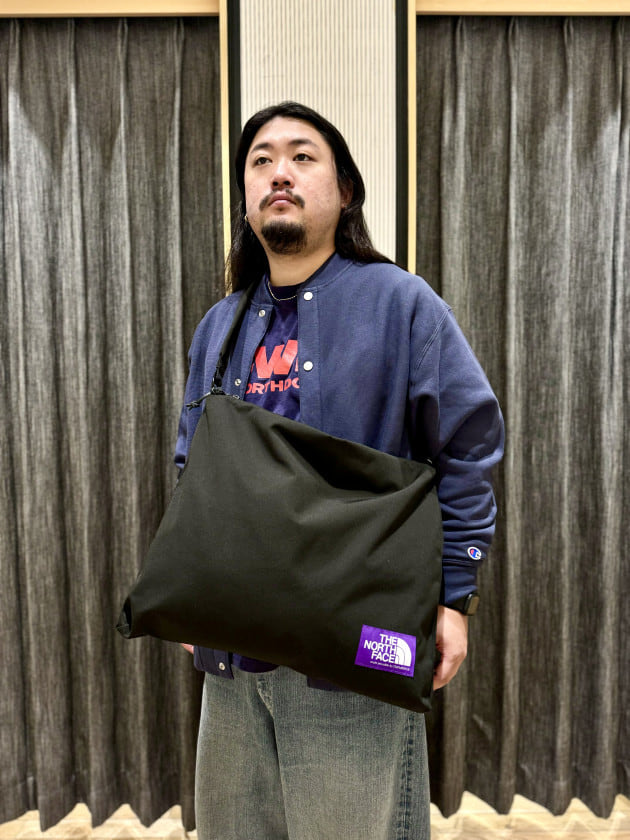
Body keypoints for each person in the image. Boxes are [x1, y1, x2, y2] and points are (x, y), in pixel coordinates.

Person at [175, 101, 504, 840]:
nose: (279, 173)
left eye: (302, 156)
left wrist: (454, 595)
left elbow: (467, 444)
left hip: (358, 647)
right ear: (244, 194)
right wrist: (191, 597)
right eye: (260, 160)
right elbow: (192, 465)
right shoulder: (219, 325)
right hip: (234, 657)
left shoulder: (402, 304)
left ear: (345, 189)